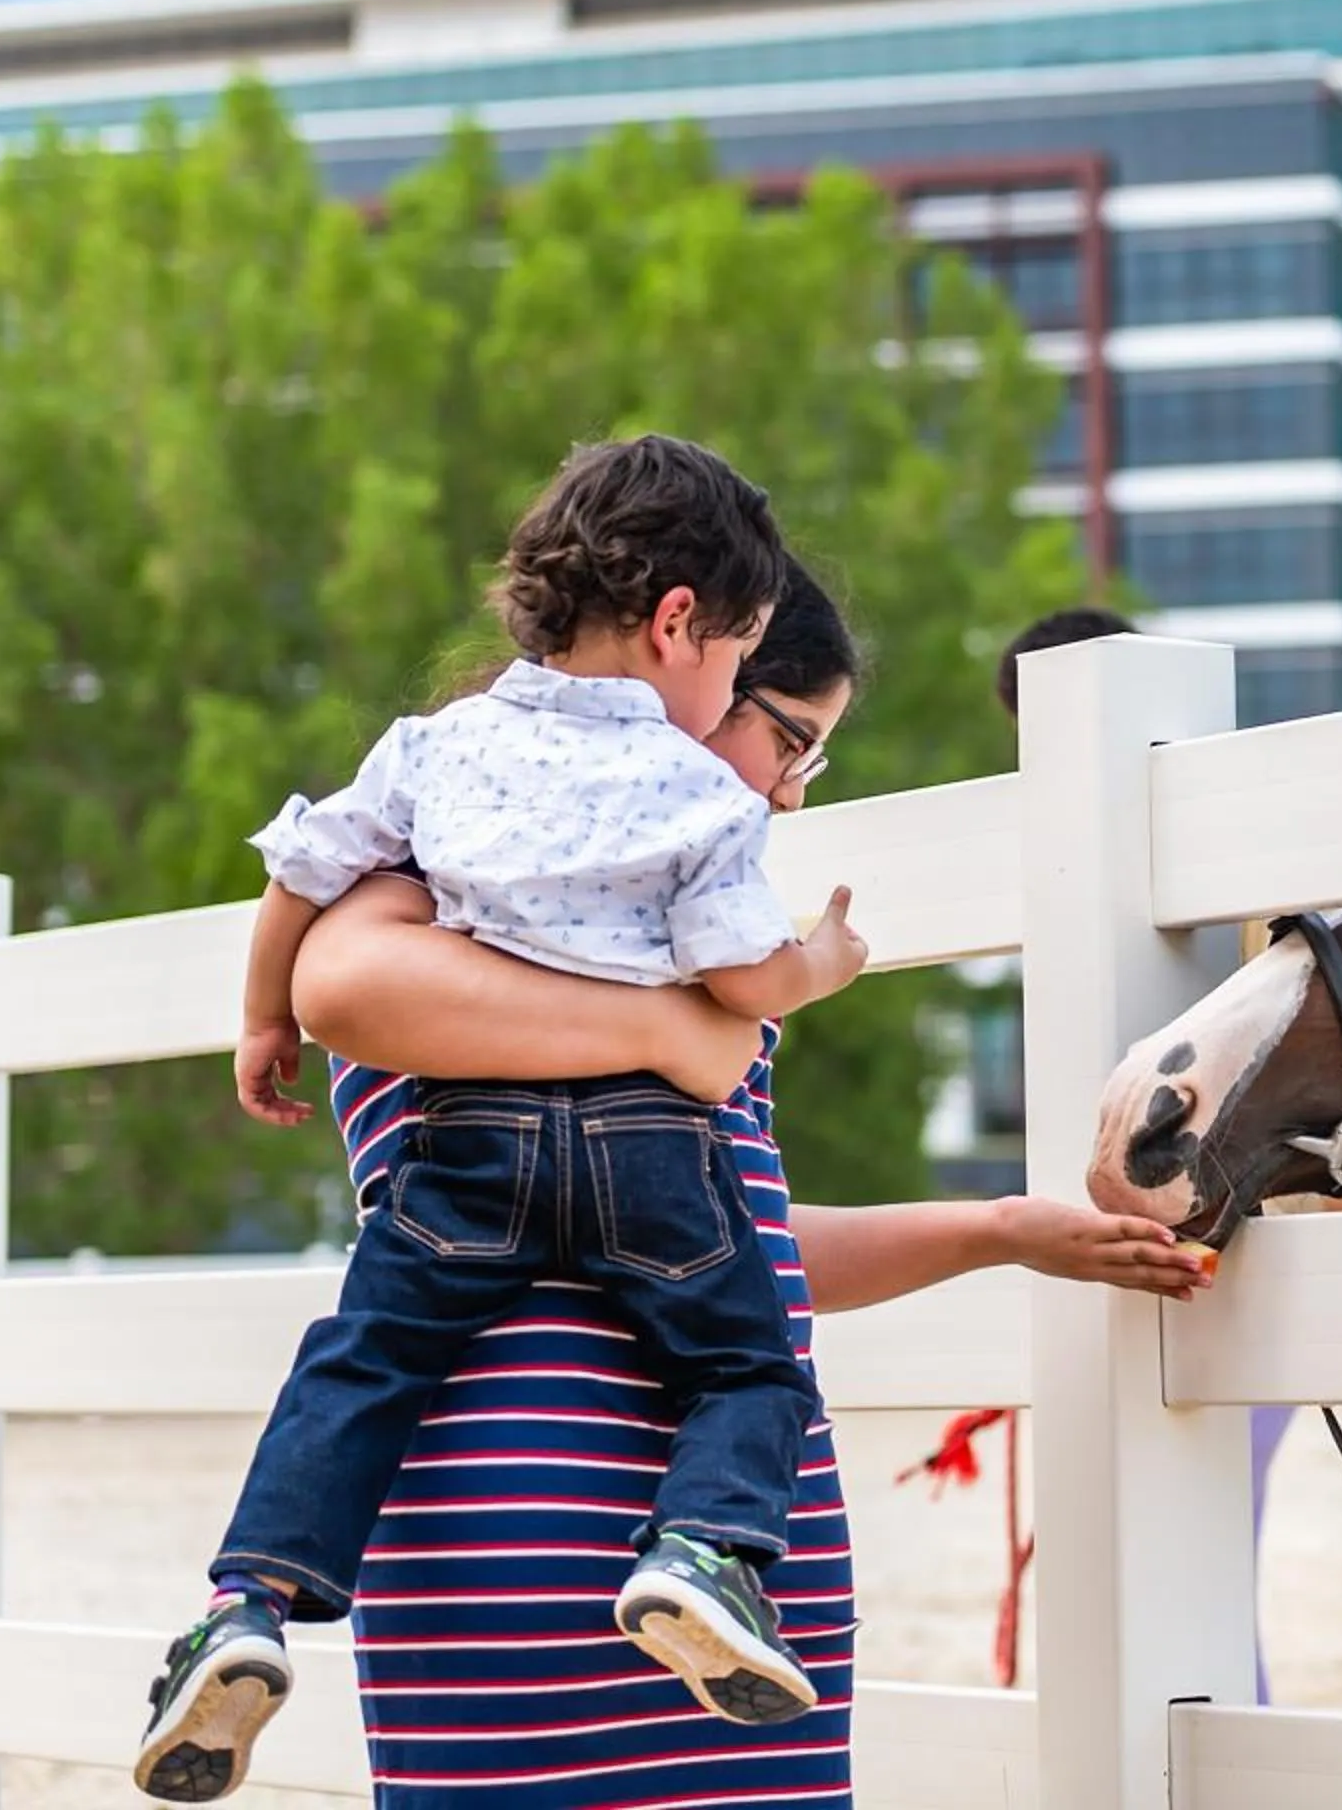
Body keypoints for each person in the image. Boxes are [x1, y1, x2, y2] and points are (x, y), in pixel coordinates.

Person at [171, 559, 1201, 1808]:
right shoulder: (413, 897)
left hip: (725, 1558)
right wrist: (679, 1030)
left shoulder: (671, 937)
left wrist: (995, 1229)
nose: (784, 787)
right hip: (541, 1500)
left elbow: (745, 1231)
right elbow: (334, 991)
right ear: (677, 674)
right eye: (791, 738)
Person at [139, 436, 867, 1800]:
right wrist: (787, 983)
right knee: (748, 1370)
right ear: (681, 631)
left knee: (352, 1362)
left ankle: (246, 1605)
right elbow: (733, 986)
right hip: (568, 1489)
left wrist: (255, 1021)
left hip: (470, 1170)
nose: (785, 787)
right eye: (795, 739)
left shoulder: (437, 760)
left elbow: (296, 886)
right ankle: (708, 1547)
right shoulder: (694, 808)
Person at [995, 607, 1342, 1706]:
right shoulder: (1072, 850)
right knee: (1133, 1559)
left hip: (1234, 1260)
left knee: (1182, 1559)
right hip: (1115, 1251)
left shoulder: (1262, 851)